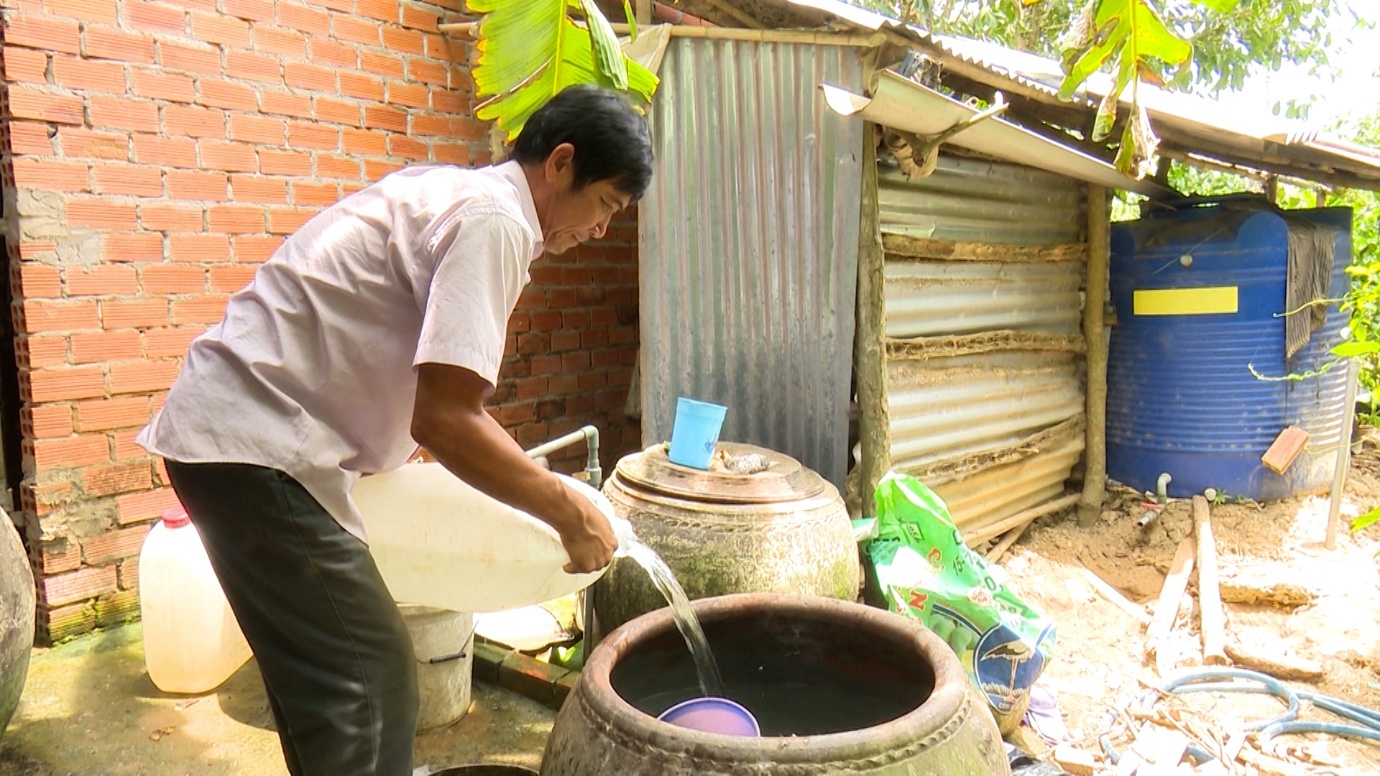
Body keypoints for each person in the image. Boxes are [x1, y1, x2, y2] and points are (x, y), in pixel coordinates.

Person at [135, 85, 654, 775]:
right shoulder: (495, 220)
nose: (600, 231)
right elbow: (445, 417)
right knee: (366, 684)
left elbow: (430, 398)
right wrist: (569, 513)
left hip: (241, 436)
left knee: (333, 688)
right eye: (607, 206)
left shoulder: (454, 195)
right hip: (256, 445)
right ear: (561, 164)